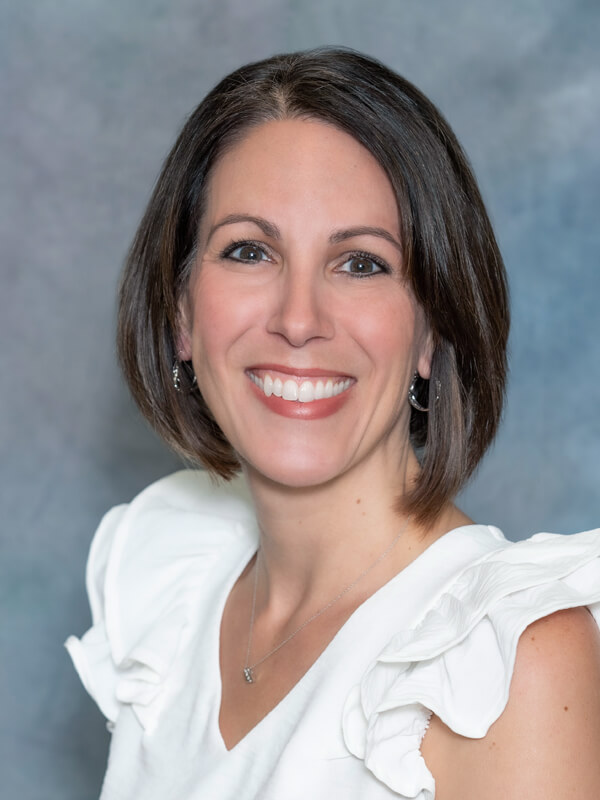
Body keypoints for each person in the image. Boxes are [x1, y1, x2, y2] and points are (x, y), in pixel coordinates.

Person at [66, 48, 600, 799]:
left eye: (361, 264)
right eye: (249, 251)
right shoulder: (172, 590)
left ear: (432, 331)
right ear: (181, 313)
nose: (297, 319)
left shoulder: (508, 657)